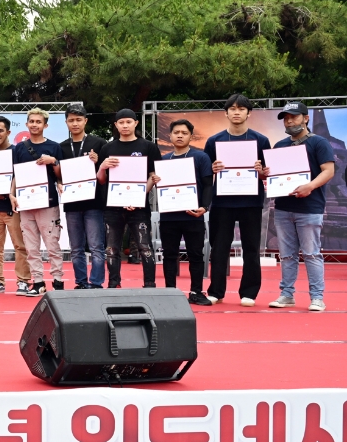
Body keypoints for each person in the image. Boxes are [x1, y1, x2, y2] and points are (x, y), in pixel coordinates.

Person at [268, 101, 336, 311]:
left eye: (294, 117)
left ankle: (317, 297)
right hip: (283, 207)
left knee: (311, 253)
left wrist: (310, 186)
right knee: (287, 255)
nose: (289, 121)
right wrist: (265, 176)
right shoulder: (279, 145)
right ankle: (286, 294)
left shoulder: (319, 143)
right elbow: (275, 175)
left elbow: (328, 171)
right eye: (286, 118)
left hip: (310, 208)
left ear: (306, 118)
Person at [204, 94, 271, 306]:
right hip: (222, 202)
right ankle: (216, 291)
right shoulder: (214, 140)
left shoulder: (261, 140)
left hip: (251, 201)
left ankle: (249, 293)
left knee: (251, 248)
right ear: (226, 113)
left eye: (241, 109)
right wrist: (212, 169)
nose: (236, 112)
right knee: (219, 247)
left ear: (248, 113)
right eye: (232, 109)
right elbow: (206, 173)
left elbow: (268, 173)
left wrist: (262, 171)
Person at [96, 109, 158, 289]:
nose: (125, 125)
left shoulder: (148, 146)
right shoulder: (108, 148)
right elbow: (101, 180)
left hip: (139, 207)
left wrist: (139, 197)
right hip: (113, 207)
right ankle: (114, 283)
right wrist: (102, 166)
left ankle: (149, 284)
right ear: (116, 125)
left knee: (144, 246)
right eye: (121, 122)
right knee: (112, 248)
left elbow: (153, 177)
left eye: (128, 122)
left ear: (135, 123)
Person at [154, 118, 213, 306]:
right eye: (176, 132)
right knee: (169, 254)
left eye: (184, 133)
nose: (180, 135)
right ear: (170, 136)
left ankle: (196, 292)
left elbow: (207, 185)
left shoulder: (201, 157)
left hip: (193, 215)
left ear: (190, 136)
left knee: (196, 254)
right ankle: (170, 291)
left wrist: (204, 207)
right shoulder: (163, 161)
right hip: (169, 215)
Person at [14, 108, 65, 296]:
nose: (34, 124)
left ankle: (58, 281)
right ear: (27, 124)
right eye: (32, 121)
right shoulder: (20, 148)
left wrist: (54, 161)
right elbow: (15, 174)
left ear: (45, 125)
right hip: (26, 203)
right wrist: (12, 195)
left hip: (48, 201)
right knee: (31, 246)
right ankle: (37, 282)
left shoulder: (54, 147)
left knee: (52, 244)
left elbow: (60, 176)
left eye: (38, 122)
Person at [56, 104, 106, 289]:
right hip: (72, 203)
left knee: (96, 246)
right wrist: (59, 183)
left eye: (78, 120)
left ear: (85, 120)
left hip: (94, 202)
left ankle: (97, 282)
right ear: (66, 122)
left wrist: (98, 161)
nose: (75, 123)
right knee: (76, 247)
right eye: (71, 120)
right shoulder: (61, 147)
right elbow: (58, 174)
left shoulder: (99, 143)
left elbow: (107, 172)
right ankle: (81, 281)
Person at [0, 115, 30, 295]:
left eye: (0, 130)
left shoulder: (18, 152)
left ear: (8, 132)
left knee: (21, 246)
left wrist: (9, 193)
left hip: (13, 207)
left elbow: (23, 176)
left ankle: (23, 281)